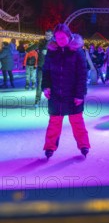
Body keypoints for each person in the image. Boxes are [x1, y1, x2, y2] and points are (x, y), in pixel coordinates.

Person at [42, 23, 90, 159]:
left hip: (73, 94)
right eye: (57, 38)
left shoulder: (77, 52)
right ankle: (50, 147)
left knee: (77, 122)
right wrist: (45, 87)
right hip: (56, 94)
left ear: (69, 36)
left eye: (63, 38)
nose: (60, 41)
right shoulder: (52, 52)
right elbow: (46, 71)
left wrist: (80, 94)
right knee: (54, 123)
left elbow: (82, 75)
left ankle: (84, 145)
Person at [27, 29, 53, 106]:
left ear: (52, 35)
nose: (47, 36)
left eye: (49, 35)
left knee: (51, 84)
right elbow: (33, 47)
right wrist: (27, 50)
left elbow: (58, 54)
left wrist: (48, 52)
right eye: (46, 35)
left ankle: (51, 101)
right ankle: (37, 100)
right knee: (39, 84)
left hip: (51, 68)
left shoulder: (54, 43)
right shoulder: (41, 42)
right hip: (41, 67)